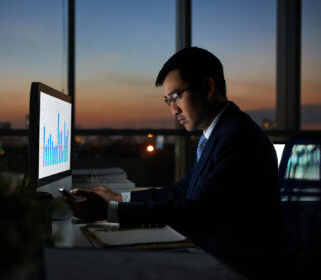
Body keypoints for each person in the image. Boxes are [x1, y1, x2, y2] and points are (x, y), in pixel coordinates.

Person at [64, 47, 284, 277]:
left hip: (235, 267)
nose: (173, 110)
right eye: (168, 100)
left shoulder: (238, 138)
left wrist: (112, 212)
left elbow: (198, 212)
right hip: (212, 253)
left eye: (177, 96)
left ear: (208, 87)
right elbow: (183, 190)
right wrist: (121, 199)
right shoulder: (220, 133)